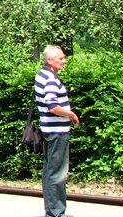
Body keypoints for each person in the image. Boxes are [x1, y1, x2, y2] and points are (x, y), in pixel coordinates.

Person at [35, 45, 80, 217]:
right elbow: (52, 105)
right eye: (61, 58)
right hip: (57, 131)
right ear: (50, 60)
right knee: (57, 173)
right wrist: (70, 114)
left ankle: (52, 210)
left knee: (49, 171)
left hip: (48, 129)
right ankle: (56, 213)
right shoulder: (51, 79)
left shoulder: (42, 74)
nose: (64, 61)